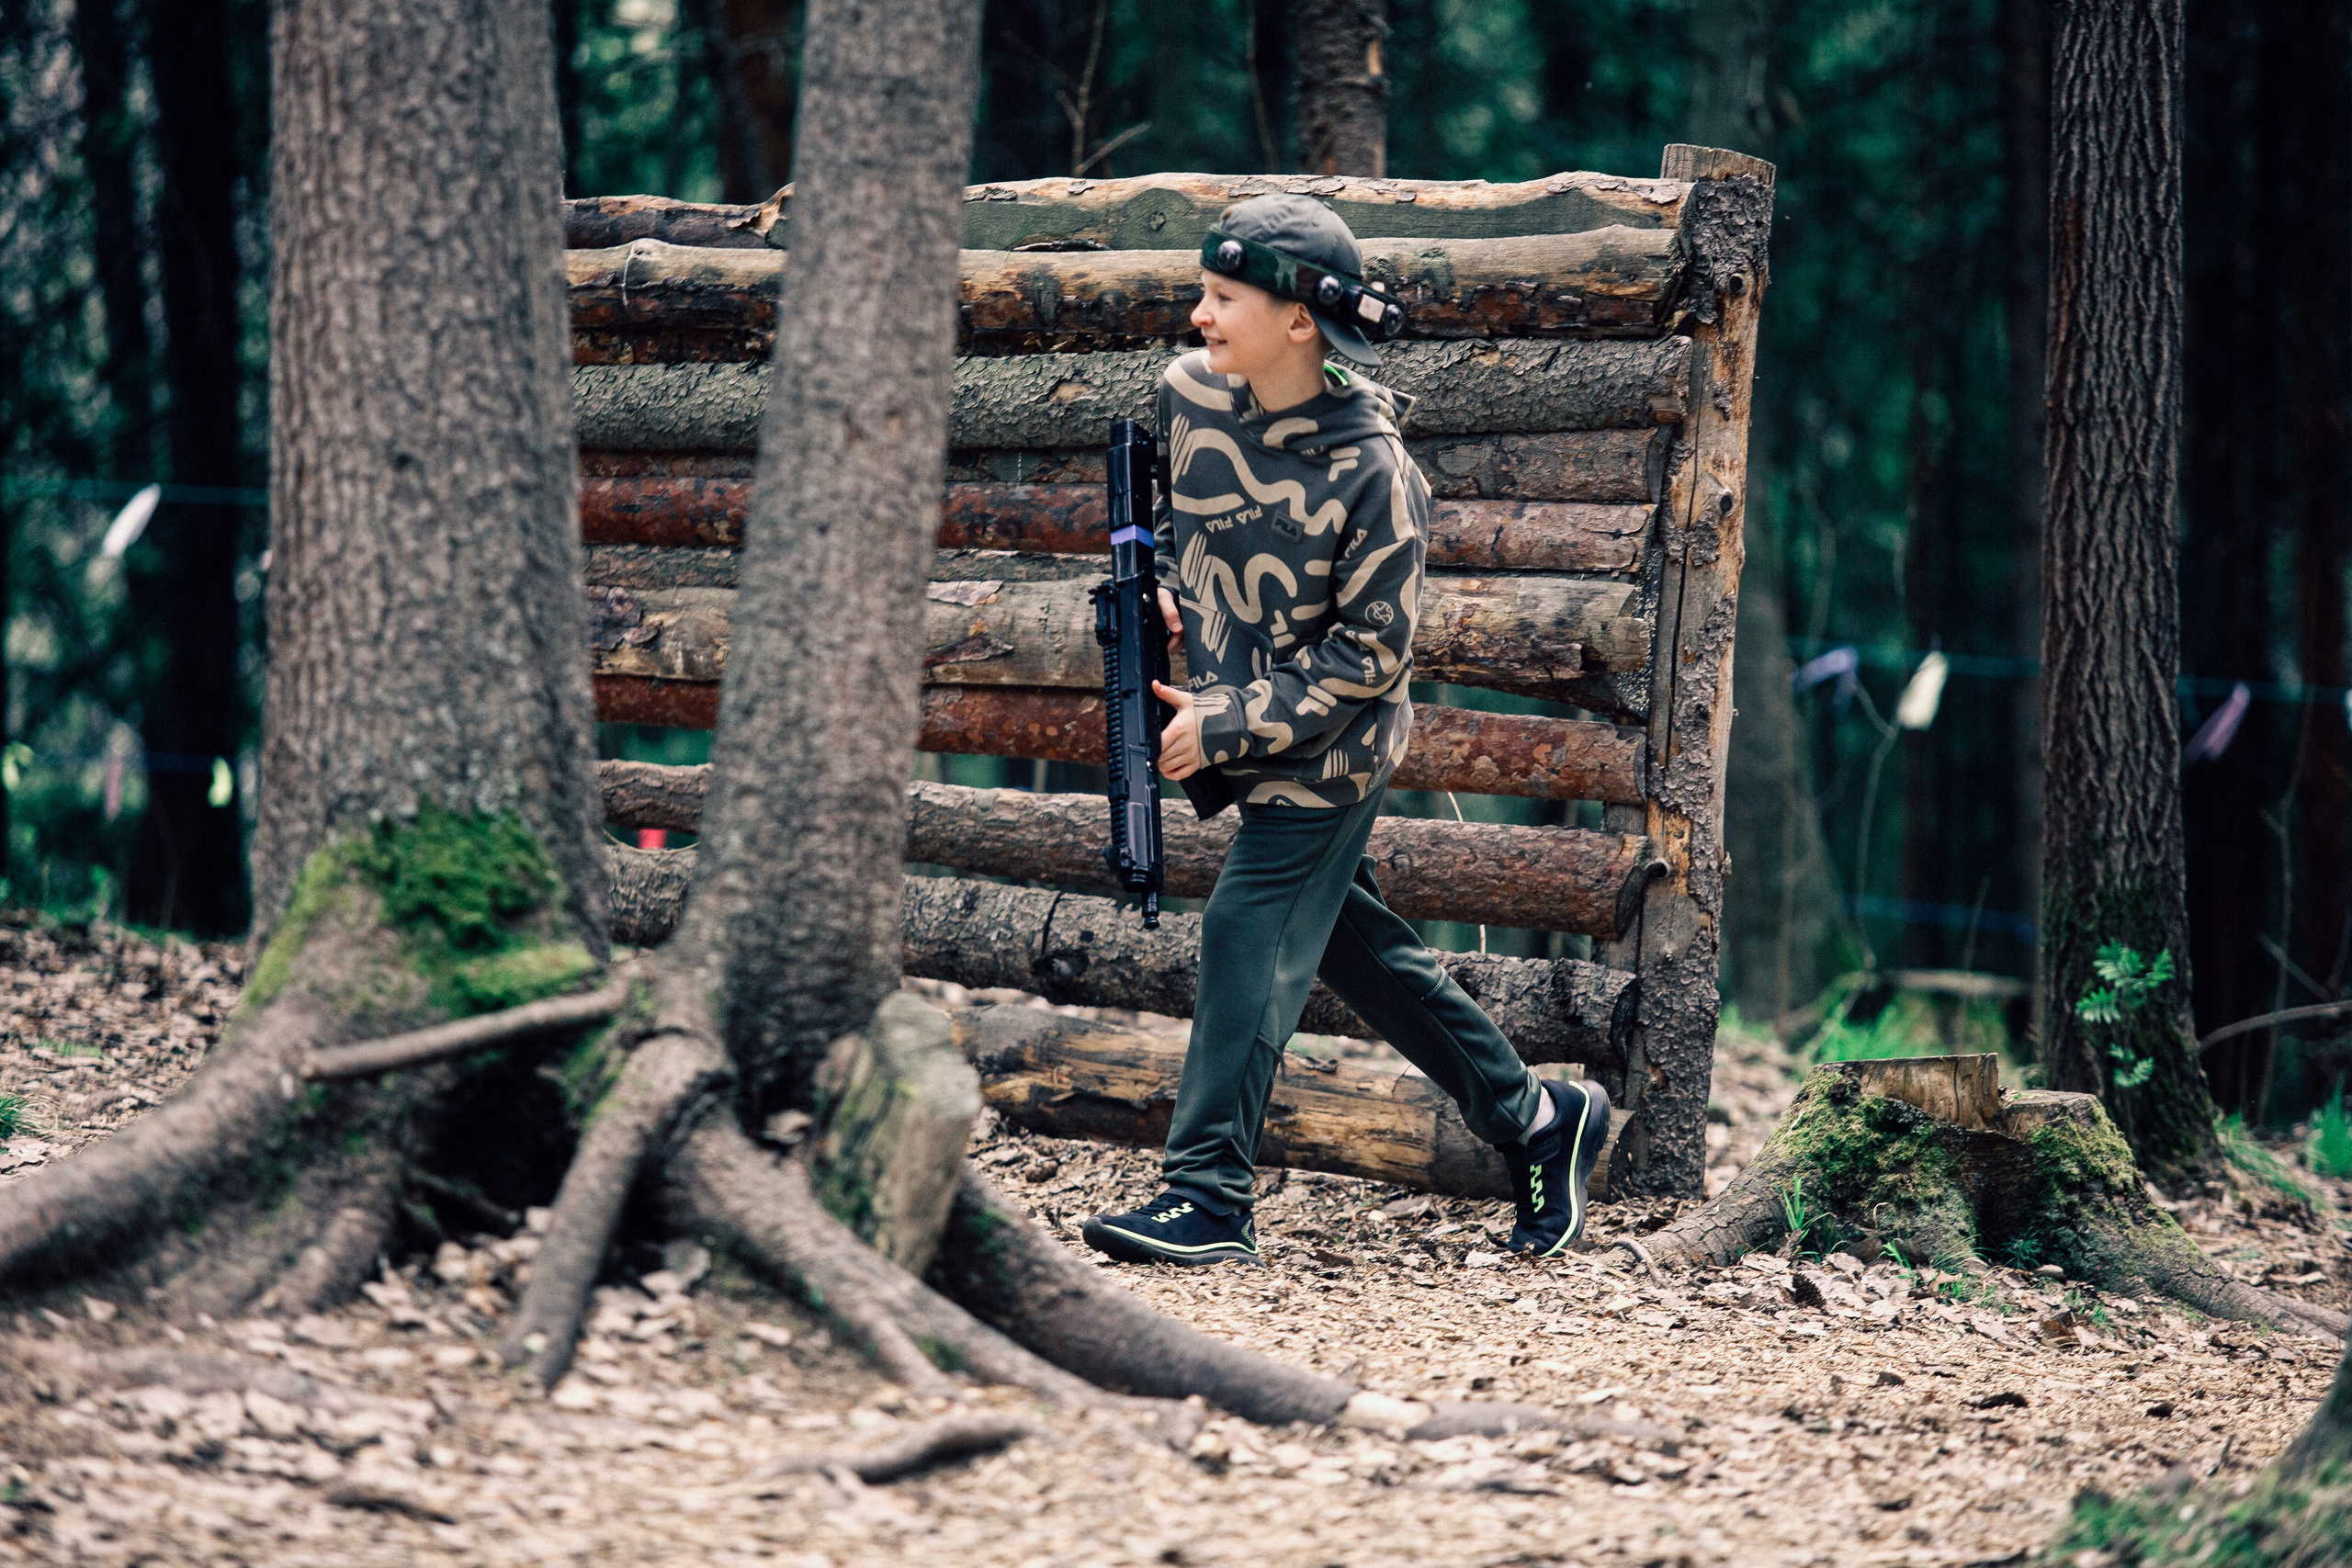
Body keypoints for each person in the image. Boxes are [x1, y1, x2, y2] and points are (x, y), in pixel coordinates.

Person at [1079, 194, 1611, 1269]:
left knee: (1245, 928)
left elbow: (1370, 657)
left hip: (1332, 751)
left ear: (1298, 322)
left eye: (1223, 298)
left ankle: (1207, 1197)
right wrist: (1169, 585)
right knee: (1358, 952)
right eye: (1202, 293)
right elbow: (1180, 516)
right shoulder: (1189, 393)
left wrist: (1226, 724)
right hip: (1238, 722)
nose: (1198, 316)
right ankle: (1539, 1119)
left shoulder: (1376, 474)